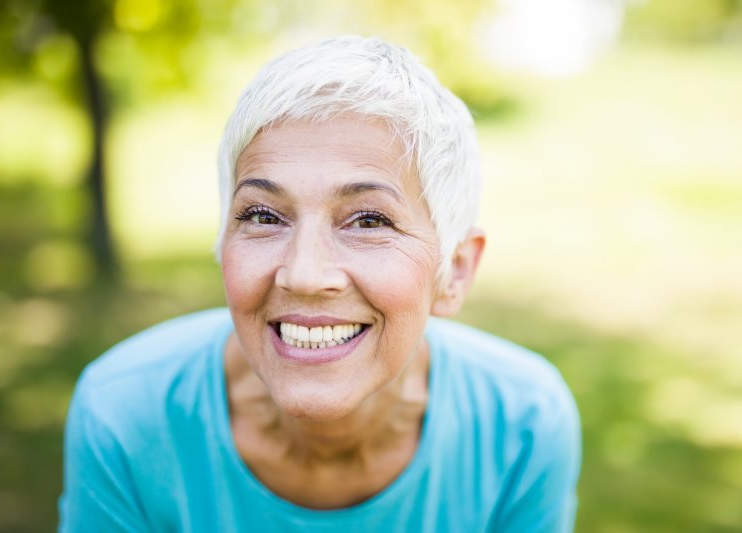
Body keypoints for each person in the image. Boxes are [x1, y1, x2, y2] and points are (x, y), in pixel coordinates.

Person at [59, 35, 580, 532]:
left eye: (370, 221)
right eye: (263, 215)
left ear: (456, 271)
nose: (305, 275)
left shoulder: (523, 426)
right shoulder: (125, 414)